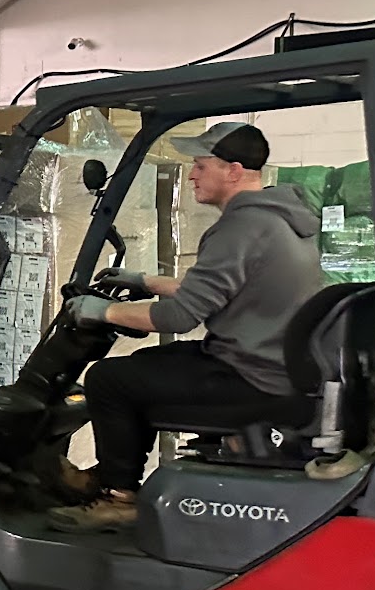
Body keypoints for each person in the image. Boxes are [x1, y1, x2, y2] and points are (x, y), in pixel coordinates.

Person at [52, 121, 324, 531]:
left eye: (201, 165)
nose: (192, 174)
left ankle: (119, 498)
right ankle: (111, 474)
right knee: (148, 365)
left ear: (233, 171)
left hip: (253, 378)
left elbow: (179, 316)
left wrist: (100, 312)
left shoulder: (241, 227)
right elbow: (219, 287)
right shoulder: (276, 220)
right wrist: (144, 281)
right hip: (271, 365)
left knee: (109, 379)